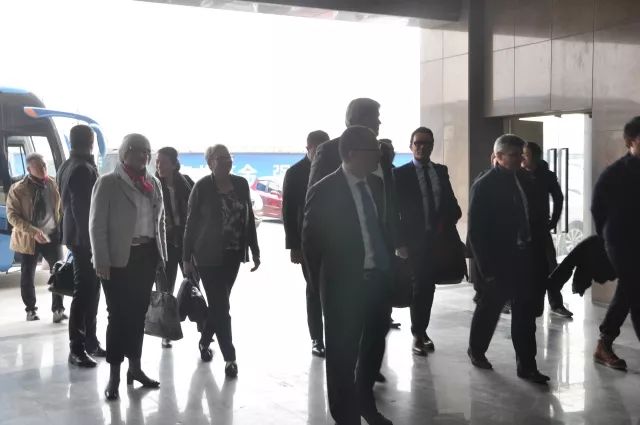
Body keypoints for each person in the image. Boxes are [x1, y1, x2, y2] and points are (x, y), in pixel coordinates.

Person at [303, 126, 394, 425]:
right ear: (353, 154)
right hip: (342, 288)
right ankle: (346, 417)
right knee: (342, 358)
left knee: (373, 349)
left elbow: (382, 229)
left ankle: (366, 404)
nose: (379, 156)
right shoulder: (324, 190)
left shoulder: (376, 185)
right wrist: (322, 288)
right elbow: (311, 246)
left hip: (377, 281)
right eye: (374, 151)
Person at [467, 134, 550, 384]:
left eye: (521, 155)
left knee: (524, 314)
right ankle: (476, 349)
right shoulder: (484, 185)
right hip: (498, 261)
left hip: (525, 257)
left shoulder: (526, 179)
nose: (519, 160)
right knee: (490, 308)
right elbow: (476, 232)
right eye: (513, 156)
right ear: (499, 156)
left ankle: (527, 366)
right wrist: (486, 269)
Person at [90, 134, 167, 401]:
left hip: (146, 256)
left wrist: (162, 256)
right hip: (116, 260)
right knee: (118, 316)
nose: (143, 155)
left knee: (138, 315)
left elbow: (160, 222)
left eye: (147, 150)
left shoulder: (153, 183)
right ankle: (114, 374)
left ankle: (135, 368)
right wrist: (101, 259)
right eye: (137, 150)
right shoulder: (108, 183)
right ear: (124, 153)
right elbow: (96, 225)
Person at [183, 144, 260, 379]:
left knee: (219, 304)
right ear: (210, 163)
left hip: (233, 254)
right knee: (221, 306)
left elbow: (248, 218)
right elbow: (190, 224)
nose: (227, 161)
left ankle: (205, 340)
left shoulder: (241, 184)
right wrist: (186, 258)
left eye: (229, 157)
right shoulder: (202, 187)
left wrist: (255, 249)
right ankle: (230, 358)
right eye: (221, 158)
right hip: (207, 255)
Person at [394, 127, 462, 356]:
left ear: (432, 146)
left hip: (438, 240)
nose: (422, 147)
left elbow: (451, 203)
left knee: (428, 287)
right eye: (418, 143)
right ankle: (418, 333)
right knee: (420, 286)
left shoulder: (441, 171)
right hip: (414, 242)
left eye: (427, 143)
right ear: (411, 145)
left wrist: (449, 217)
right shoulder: (400, 174)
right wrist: (399, 243)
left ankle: (421, 331)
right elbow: (393, 212)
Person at [591, 116, 640, 371]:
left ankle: (604, 344)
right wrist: (608, 238)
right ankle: (604, 343)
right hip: (621, 242)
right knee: (635, 289)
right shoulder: (615, 174)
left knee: (628, 290)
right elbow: (597, 209)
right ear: (631, 141)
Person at [57, 125, 105, 368]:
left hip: (77, 238)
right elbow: (83, 210)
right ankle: (77, 347)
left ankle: (90, 342)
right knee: (85, 291)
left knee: (91, 290)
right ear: (91, 142)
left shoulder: (68, 165)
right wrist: (93, 243)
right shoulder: (82, 168)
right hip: (84, 240)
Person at [282, 130, 330, 357]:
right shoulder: (295, 173)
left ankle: (335, 334)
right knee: (313, 288)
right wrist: (293, 246)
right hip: (308, 242)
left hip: (334, 240)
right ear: (308, 148)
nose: (320, 154)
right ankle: (316, 338)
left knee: (334, 290)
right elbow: (288, 211)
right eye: (317, 150)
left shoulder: (334, 168)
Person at [6, 153, 65, 322]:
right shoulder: (18, 189)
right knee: (27, 274)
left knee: (59, 271)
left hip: (51, 236)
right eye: (38, 166)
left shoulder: (53, 184)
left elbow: (60, 209)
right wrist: (32, 231)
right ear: (28, 169)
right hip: (29, 238)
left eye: (44, 165)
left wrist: (60, 228)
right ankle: (31, 310)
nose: (43, 169)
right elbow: (12, 216)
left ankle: (58, 309)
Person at [522, 141, 572, 318]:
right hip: (520, 231)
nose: (522, 158)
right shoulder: (517, 174)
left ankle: (556, 303)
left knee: (551, 266)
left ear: (535, 157)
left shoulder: (547, 176)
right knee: (521, 266)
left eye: (526, 155)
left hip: (541, 229)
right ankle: (513, 301)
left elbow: (558, 198)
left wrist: (554, 220)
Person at [155, 146, 194, 348]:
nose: (158, 165)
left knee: (193, 285)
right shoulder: (153, 185)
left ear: (173, 163)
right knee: (165, 289)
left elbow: (196, 210)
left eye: (162, 162)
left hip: (186, 241)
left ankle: (203, 326)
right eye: (157, 162)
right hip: (166, 243)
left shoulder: (186, 182)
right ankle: (166, 331)